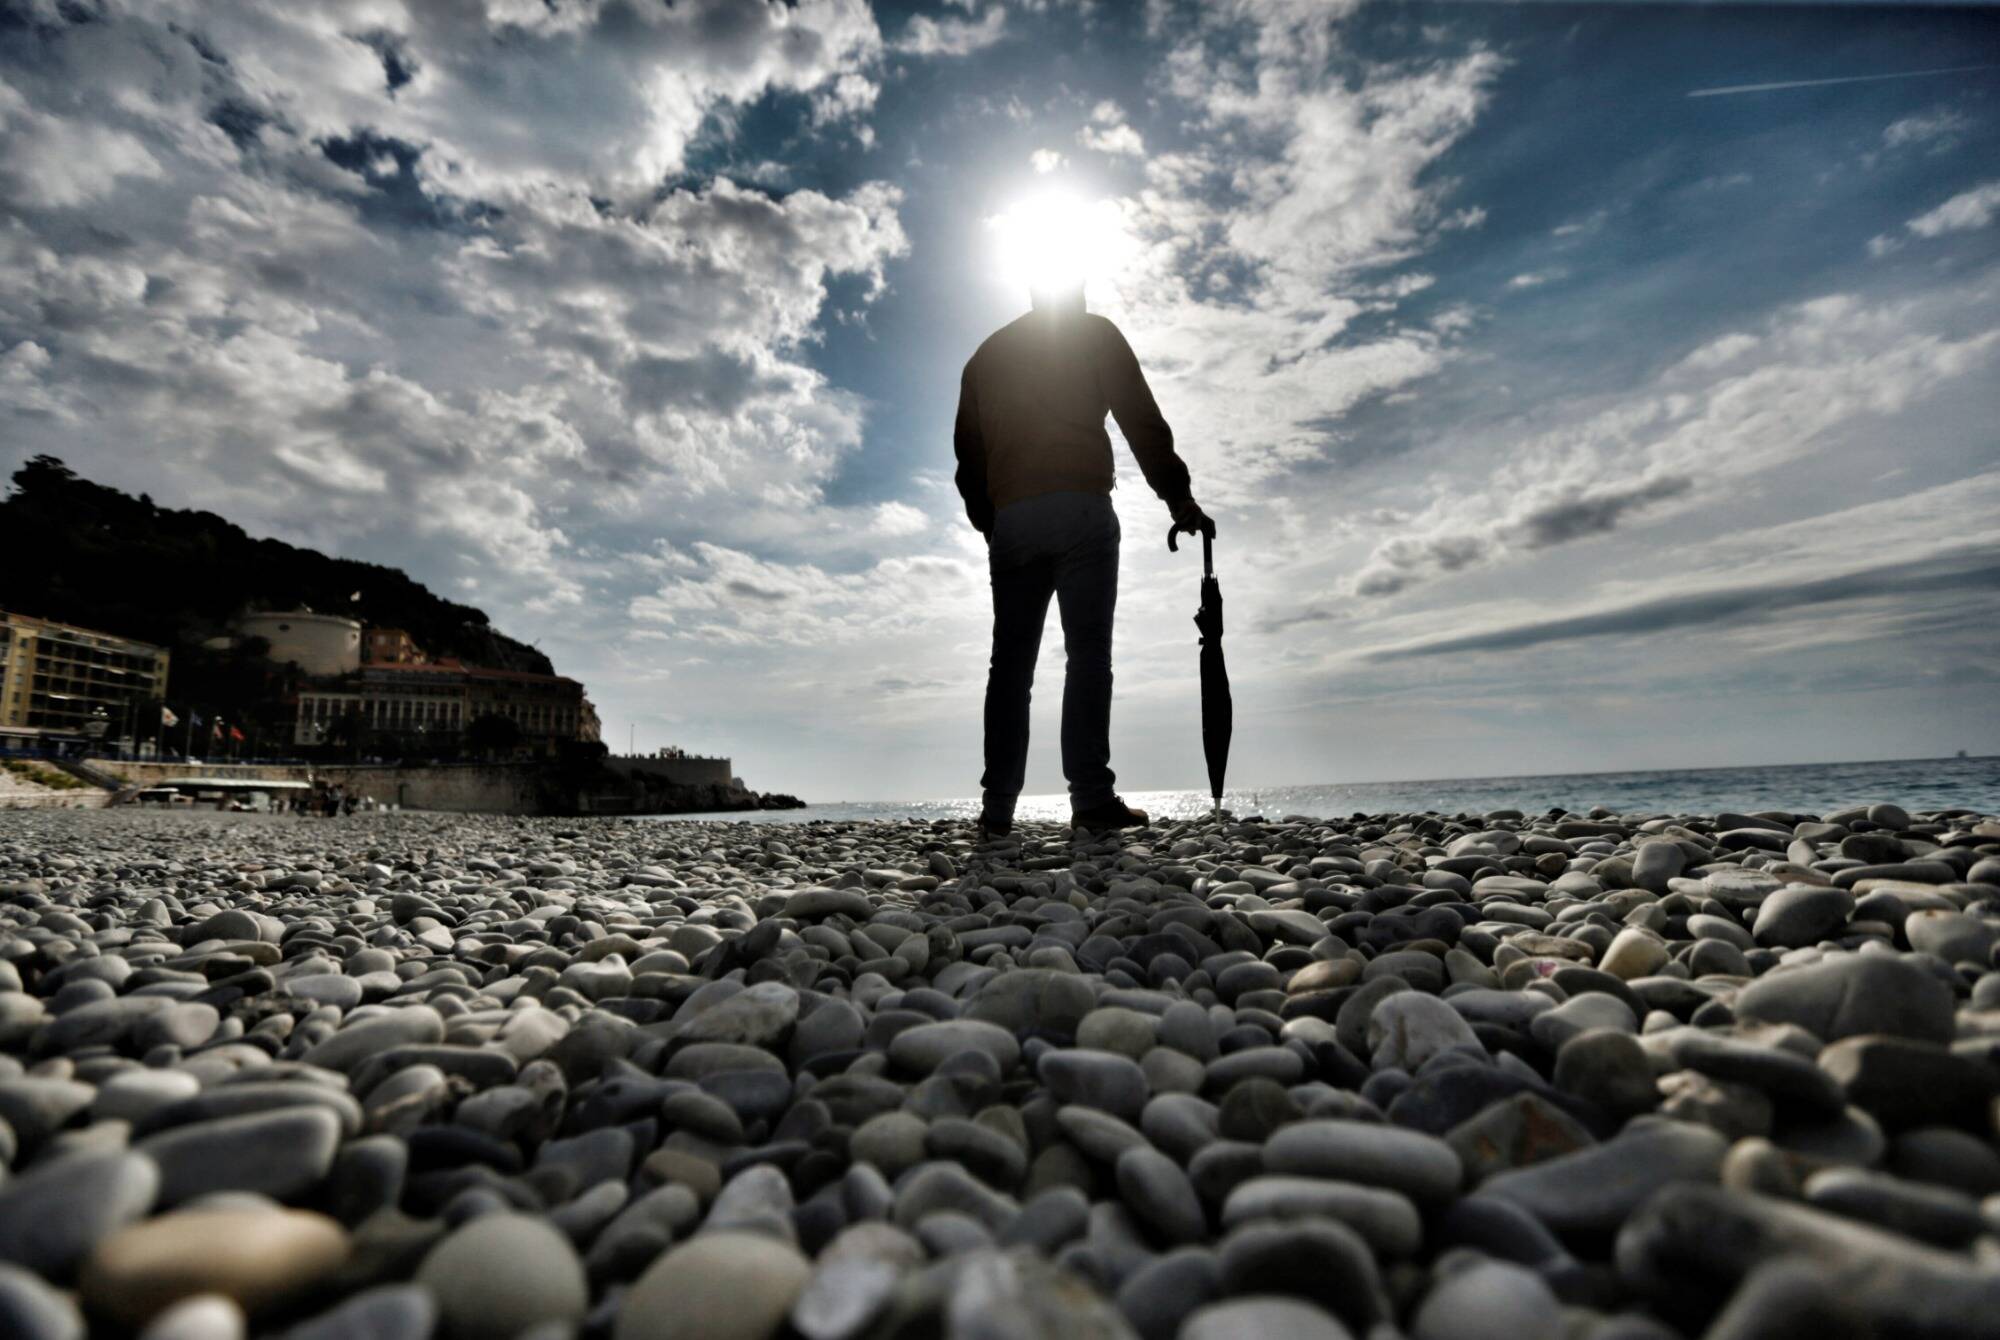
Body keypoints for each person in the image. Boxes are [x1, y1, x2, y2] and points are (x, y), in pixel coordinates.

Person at [954, 276, 1214, 839]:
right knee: (1088, 655)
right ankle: (1092, 798)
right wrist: (1178, 498)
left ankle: (997, 810)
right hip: (1081, 509)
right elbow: (1140, 420)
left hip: (1014, 519)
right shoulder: (1096, 334)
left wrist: (993, 523)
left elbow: (967, 459)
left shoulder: (985, 357)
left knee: (1010, 669)